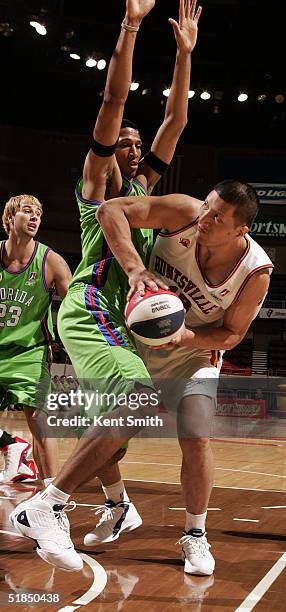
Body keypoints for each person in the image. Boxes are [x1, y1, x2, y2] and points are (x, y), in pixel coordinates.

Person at [9, 0, 202, 573]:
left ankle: (117, 506)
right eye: (126, 143)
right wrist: (133, 24)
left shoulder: (142, 198)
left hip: (121, 317)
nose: (135, 149)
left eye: (138, 147)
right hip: (89, 303)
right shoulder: (95, 189)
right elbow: (114, 100)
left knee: (114, 430)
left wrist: (185, 55)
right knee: (136, 396)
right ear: (109, 148)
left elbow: (177, 121)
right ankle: (49, 505)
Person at [94, 178, 273, 575]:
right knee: (103, 435)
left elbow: (232, 334)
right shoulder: (184, 213)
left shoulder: (255, 272)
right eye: (208, 206)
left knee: (195, 435)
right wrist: (137, 270)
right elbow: (109, 210)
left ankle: (195, 535)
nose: (206, 218)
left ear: (240, 229)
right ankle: (117, 504)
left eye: (218, 216)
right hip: (134, 340)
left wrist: (184, 336)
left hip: (193, 352)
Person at [0, 194, 72, 483]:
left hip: (30, 351)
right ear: (9, 219)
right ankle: (12, 445)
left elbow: (73, 307)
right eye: (27, 211)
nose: (34, 217)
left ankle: (51, 494)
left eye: (39, 214)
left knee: (40, 422)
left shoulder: (51, 262)